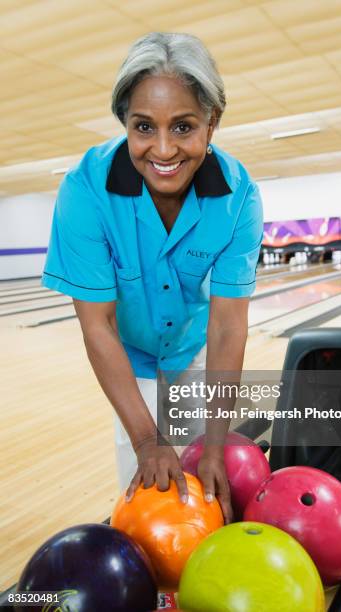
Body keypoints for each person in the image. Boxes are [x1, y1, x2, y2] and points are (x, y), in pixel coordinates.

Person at [42, 32, 263, 523]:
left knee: (202, 466)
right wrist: (146, 438)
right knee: (148, 483)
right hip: (130, 353)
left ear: (212, 124)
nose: (163, 149)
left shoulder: (239, 197)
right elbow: (97, 324)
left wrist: (216, 446)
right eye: (144, 126)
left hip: (191, 344)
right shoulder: (85, 190)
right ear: (125, 123)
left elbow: (228, 325)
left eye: (183, 127)